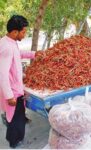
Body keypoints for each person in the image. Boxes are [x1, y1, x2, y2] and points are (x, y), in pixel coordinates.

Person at [0, 15, 36, 148]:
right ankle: (14, 142)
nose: (25, 34)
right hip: (13, 92)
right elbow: (2, 74)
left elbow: (18, 53)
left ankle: (13, 138)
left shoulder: (9, 41)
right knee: (16, 119)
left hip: (15, 88)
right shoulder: (7, 47)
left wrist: (34, 54)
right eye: (23, 31)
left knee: (17, 117)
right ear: (15, 31)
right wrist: (9, 96)